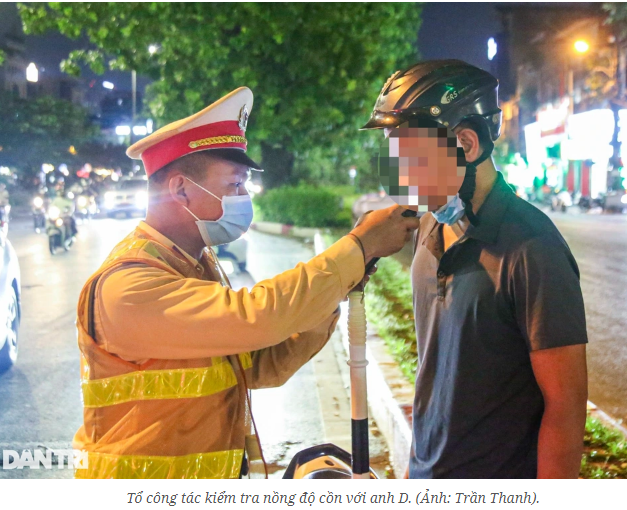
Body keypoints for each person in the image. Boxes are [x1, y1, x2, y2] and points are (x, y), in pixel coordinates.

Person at [73, 87, 419, 479]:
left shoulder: (195, 264)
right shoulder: (130, 286)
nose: (244, 197)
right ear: (181, 189)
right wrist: (356, 248)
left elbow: (260, 366)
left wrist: (338, 286)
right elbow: (257, 316)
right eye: (234, 185)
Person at [362, 61, 588, 479]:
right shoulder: (431, 226)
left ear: (465, 144)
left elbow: (566, 407)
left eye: (409, 156)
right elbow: (438, 373)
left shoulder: (534, 249)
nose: (399, 173)